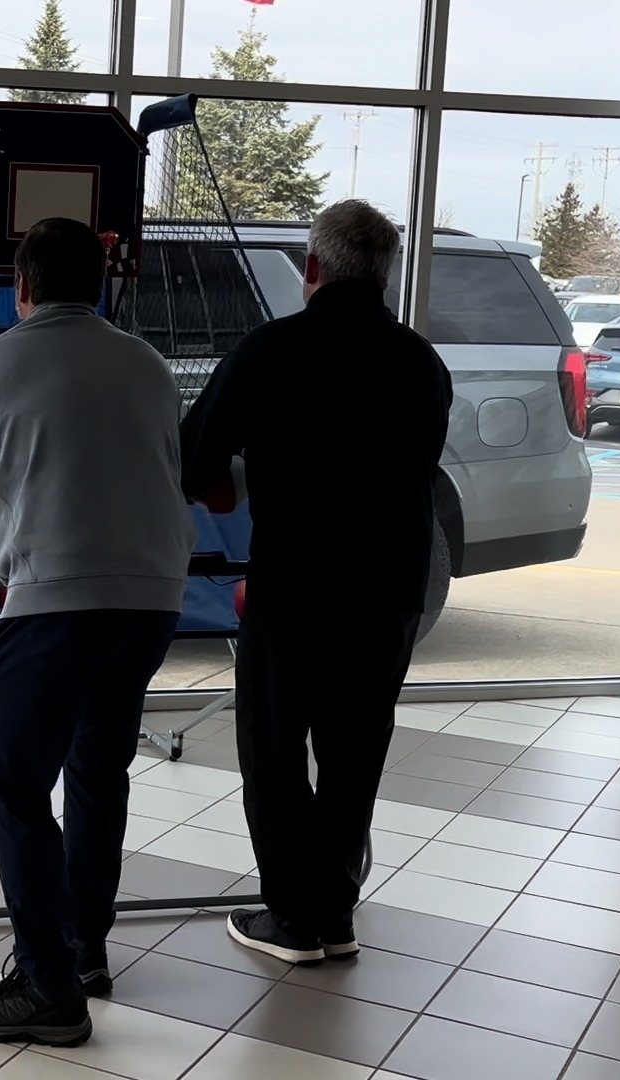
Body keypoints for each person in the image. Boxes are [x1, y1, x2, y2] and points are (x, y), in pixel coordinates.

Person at [0, 217, 195, 1045]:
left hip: (55, 601)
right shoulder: (148, 364)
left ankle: (47, 986)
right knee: (97, 772)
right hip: (150, 602)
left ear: (22, 286)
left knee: (15, 783)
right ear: (101, 286)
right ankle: (83, 952)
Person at [180, 199, 453, 965]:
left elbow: (195, 460)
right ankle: (334, 911)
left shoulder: (272, 349)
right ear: (385, 274)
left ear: (312, 268)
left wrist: (231, 486)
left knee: (273, 746)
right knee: (355, 748)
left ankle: (294, 919)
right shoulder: (422, 364)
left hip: (297, 581)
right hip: (391, 585)